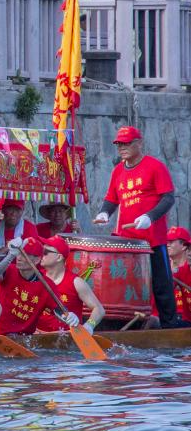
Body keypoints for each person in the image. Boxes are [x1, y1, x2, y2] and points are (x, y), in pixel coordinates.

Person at [93, 126, 186, 328]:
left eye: (127, 143)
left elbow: (168, 198)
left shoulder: (155, 166)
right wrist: (104, 213)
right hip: (126, 240)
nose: (122, 148)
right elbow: (111, 199)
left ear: (139, 143)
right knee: (125, 285)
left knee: (162, 285)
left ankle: (169, 326)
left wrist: (150, 217)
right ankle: (126, 324)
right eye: (119, 144)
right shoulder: (118, 170)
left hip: (152, 239)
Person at [34, 236, 105, 333]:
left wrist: (89, 325)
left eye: (45, 252)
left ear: (59, 257)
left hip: (65, 338)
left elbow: (99, 309)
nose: (41, 255)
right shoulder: (35, 277)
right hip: (36, 336)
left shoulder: (76, 282)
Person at [0, 236, 55, 335]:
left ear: (37, 260)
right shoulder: (10, 270)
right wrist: (11, 255)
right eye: (18, 254)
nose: (19, 258)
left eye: (25, 255)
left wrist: (69, 317)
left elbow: (57, 310)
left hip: (24, 337)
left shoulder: (47, 285)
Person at [166, 227, 191, 323]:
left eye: (171, 241)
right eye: (167, 242)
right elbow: (166, 288)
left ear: (183, 246)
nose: (167, 245)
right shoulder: (180, 272)